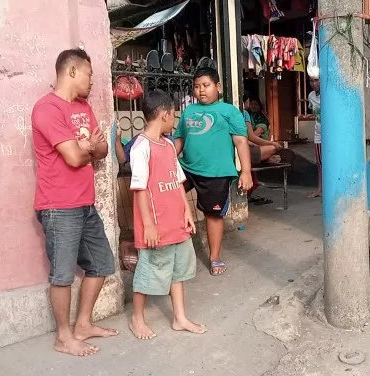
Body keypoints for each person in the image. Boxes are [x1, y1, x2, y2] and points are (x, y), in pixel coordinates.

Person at [31, 48, 118, 357]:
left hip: (85, 203)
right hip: (58, 205)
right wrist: (87, 149)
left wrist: (89, 148)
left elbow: (103, 149)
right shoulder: (46, 109)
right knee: (63, 275)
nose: (92, 80)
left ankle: (82, 324)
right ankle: (63, 336)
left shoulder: (83, 106)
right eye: (89, 74)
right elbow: (72, 156)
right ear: (71, 72)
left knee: (102, 264)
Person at [128, 89, 206, 340]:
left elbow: (178, 181)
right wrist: (148, 225)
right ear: (164, 115)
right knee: (148, 271)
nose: (174, 120)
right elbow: (139, 189)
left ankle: (179, 317)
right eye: (173, 115)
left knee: (178, 271)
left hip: (176, 223)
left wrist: (187, 211)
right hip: (156, 226)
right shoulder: (141, 147)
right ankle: (137, 318)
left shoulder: (169, 145)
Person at [174, 67, 253, 276]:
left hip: (217, 173)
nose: (201, 91)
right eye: (197, 86)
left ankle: (214, 256)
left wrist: (246, 171)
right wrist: (166, 160)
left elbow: (241, 141)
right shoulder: (189, 111)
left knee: (213, 215)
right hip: (187, 168)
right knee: (169, 199)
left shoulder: (229, 112)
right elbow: (179, 139)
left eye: (206, 86)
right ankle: (172, 252)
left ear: (217, 87)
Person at [308, 76, 322, 198]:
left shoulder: (329, 94)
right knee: (319, 164)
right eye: (311, 81)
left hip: (331, 136)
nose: (314, 83)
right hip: (318, 134)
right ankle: (319, 189)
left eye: (316, 80)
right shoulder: (311, 96)